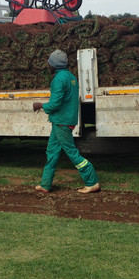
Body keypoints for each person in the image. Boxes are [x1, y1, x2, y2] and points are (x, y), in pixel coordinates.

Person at [32, 49, 100, 194]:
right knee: (52, 151)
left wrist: (40, 105)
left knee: (72, 152)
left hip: (61, 122)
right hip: (63, 121)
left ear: (54, 65)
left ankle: (92, 181)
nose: (47, 66)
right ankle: (45, 184)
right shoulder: (70, 77)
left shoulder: (59, 79)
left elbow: (54, 104)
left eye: (49, 63)